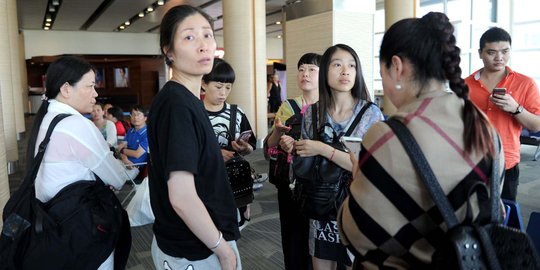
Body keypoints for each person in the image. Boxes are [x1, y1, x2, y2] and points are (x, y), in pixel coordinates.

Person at [338, 12, 505, 269]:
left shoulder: (389, 135)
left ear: (396, 66)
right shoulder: (481, 123)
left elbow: (358, 235)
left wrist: (360, 176)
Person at [147, 5, 240, 270]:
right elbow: (182, 196)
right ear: (168, 51)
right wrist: (223, 251)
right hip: (196, 250)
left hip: (196, 241)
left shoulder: (185, 98)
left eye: (208, 35)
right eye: (189, 37)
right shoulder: (176, 104)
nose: (203, 45)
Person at [280, 44, 384, 270]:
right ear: (326, 70)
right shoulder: (312, 114)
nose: (345, 71)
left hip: (356, 207)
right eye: (337, 65)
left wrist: (323, 149)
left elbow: (370, 168)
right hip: (320, 206)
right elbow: (305, 163)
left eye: (351, 65)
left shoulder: (370, 114)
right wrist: (297, 148)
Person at [27, 56, 129, 269]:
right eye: (90, 86)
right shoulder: (76, 125)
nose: (96, 94)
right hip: (79, 225)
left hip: (49, 222)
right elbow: (118, 178)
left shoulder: (44, 120)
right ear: (66, 89)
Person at [465, 27, 540, 201]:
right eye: (491, 52)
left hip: (506, 161)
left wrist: (516, 108)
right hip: (472, 160)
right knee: (471, 214)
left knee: (504, 214)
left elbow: (536, 125)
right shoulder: (466, 85)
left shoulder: (525, 84)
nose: (499, 58)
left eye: (505, 51)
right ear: (480, 53)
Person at [265, 52, 321, 270]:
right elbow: (269, 146)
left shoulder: (331, 107)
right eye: (301, 69)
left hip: (320, 183)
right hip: (291, 184)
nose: (304, 74)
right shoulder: (288, 106)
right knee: (294, 237)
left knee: (320, 239)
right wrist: (278, 135)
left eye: (311, 70)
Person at [202, 58, 257, 231]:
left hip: (234, 183)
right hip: (204, 183)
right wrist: (215, 153)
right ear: (203, 84)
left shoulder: (236, 113)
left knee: (232, 230)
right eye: (218, 87)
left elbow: (251, 145)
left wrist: (245, 148)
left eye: (228, 87)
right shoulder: (194, 112)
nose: (223, 93)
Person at [118, 105, 149, 180]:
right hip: (123, 162)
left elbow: (137, 154)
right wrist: (125, 160)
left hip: (135, 167)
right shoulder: (130, 131)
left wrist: (123, 150)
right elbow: (119, 147)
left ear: (145, 118)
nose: (135, 117)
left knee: (114, 179)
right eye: (133, 114)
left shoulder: (148, 133)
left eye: (138, 114)